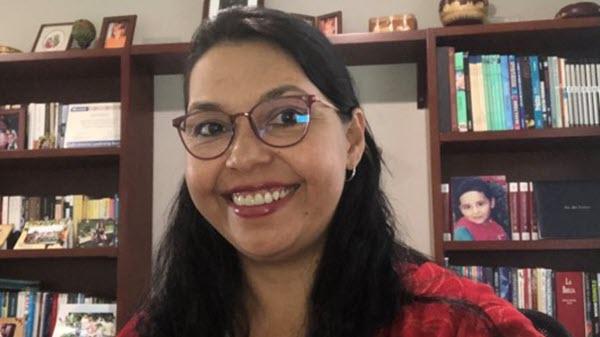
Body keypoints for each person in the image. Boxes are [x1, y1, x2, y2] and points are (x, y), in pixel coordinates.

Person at [117, 7, 542, 337]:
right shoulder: (152, 327)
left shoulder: (459, 324)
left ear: (353, 140)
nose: (243, 158)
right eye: (210, 127)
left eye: (286, 117)